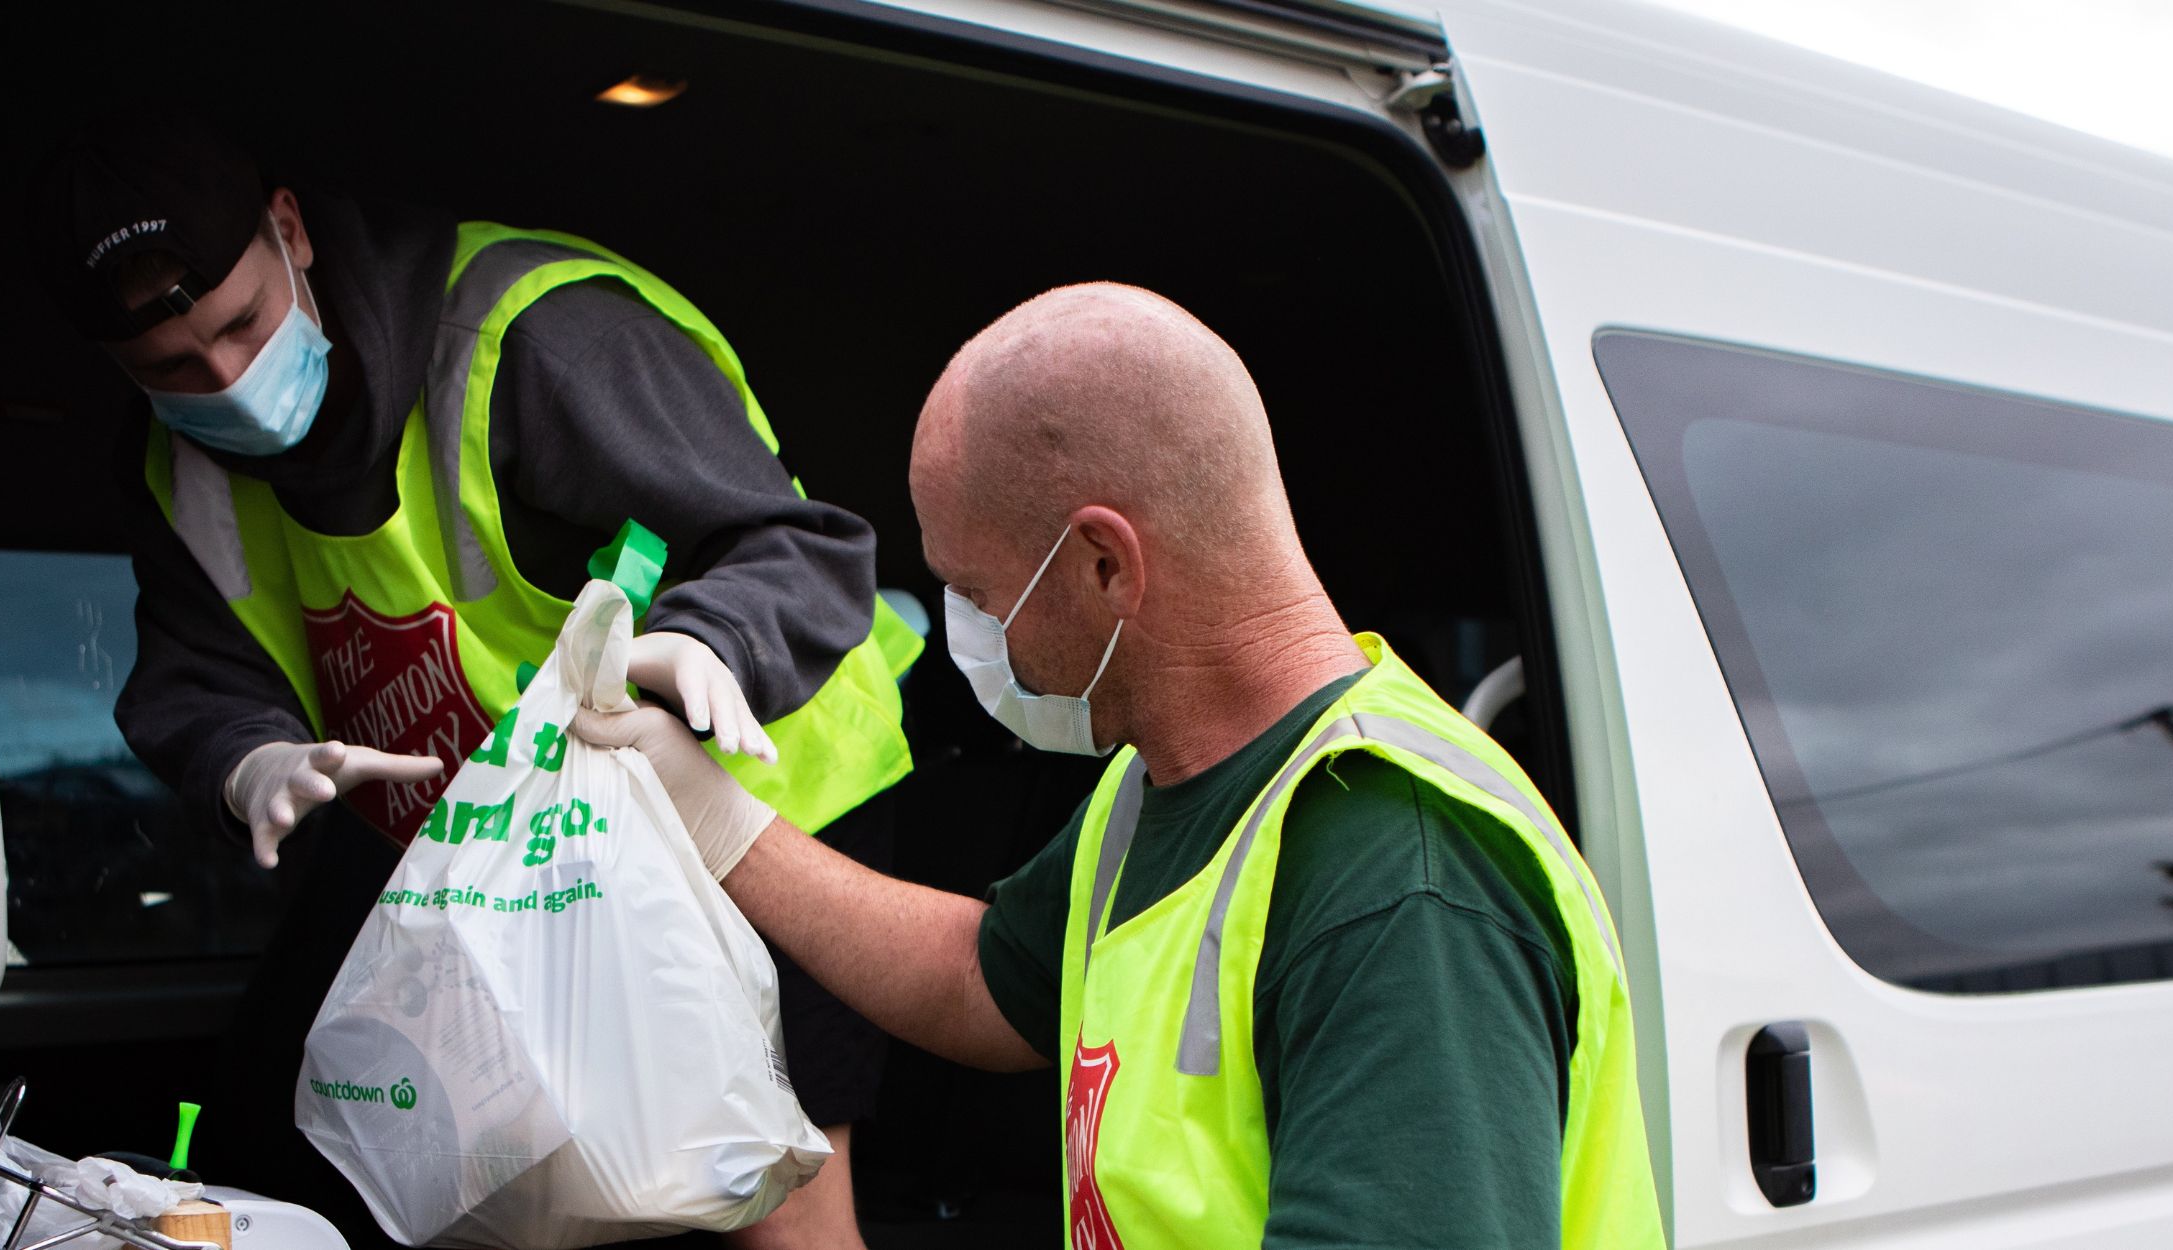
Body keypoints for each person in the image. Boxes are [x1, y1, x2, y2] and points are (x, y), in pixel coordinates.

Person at [577, 285, 1667, 1248]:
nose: (974, 634)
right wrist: (718, 823)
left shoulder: (1396, 876)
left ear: (1105, 563)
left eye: (979, 590)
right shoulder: (1158, 783)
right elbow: (984, 979)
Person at [39, 122, 920, 1249]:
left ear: (291, 231)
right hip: (514, 868)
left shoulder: (534, 338)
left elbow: (802, 549)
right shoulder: (179, 468)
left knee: (763, 1189)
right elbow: (200, 673)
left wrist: (710, 641)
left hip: (761, 801)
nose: (225, 379)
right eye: (171, 366)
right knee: (502, 1184)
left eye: (243, 325)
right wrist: (248, 756)